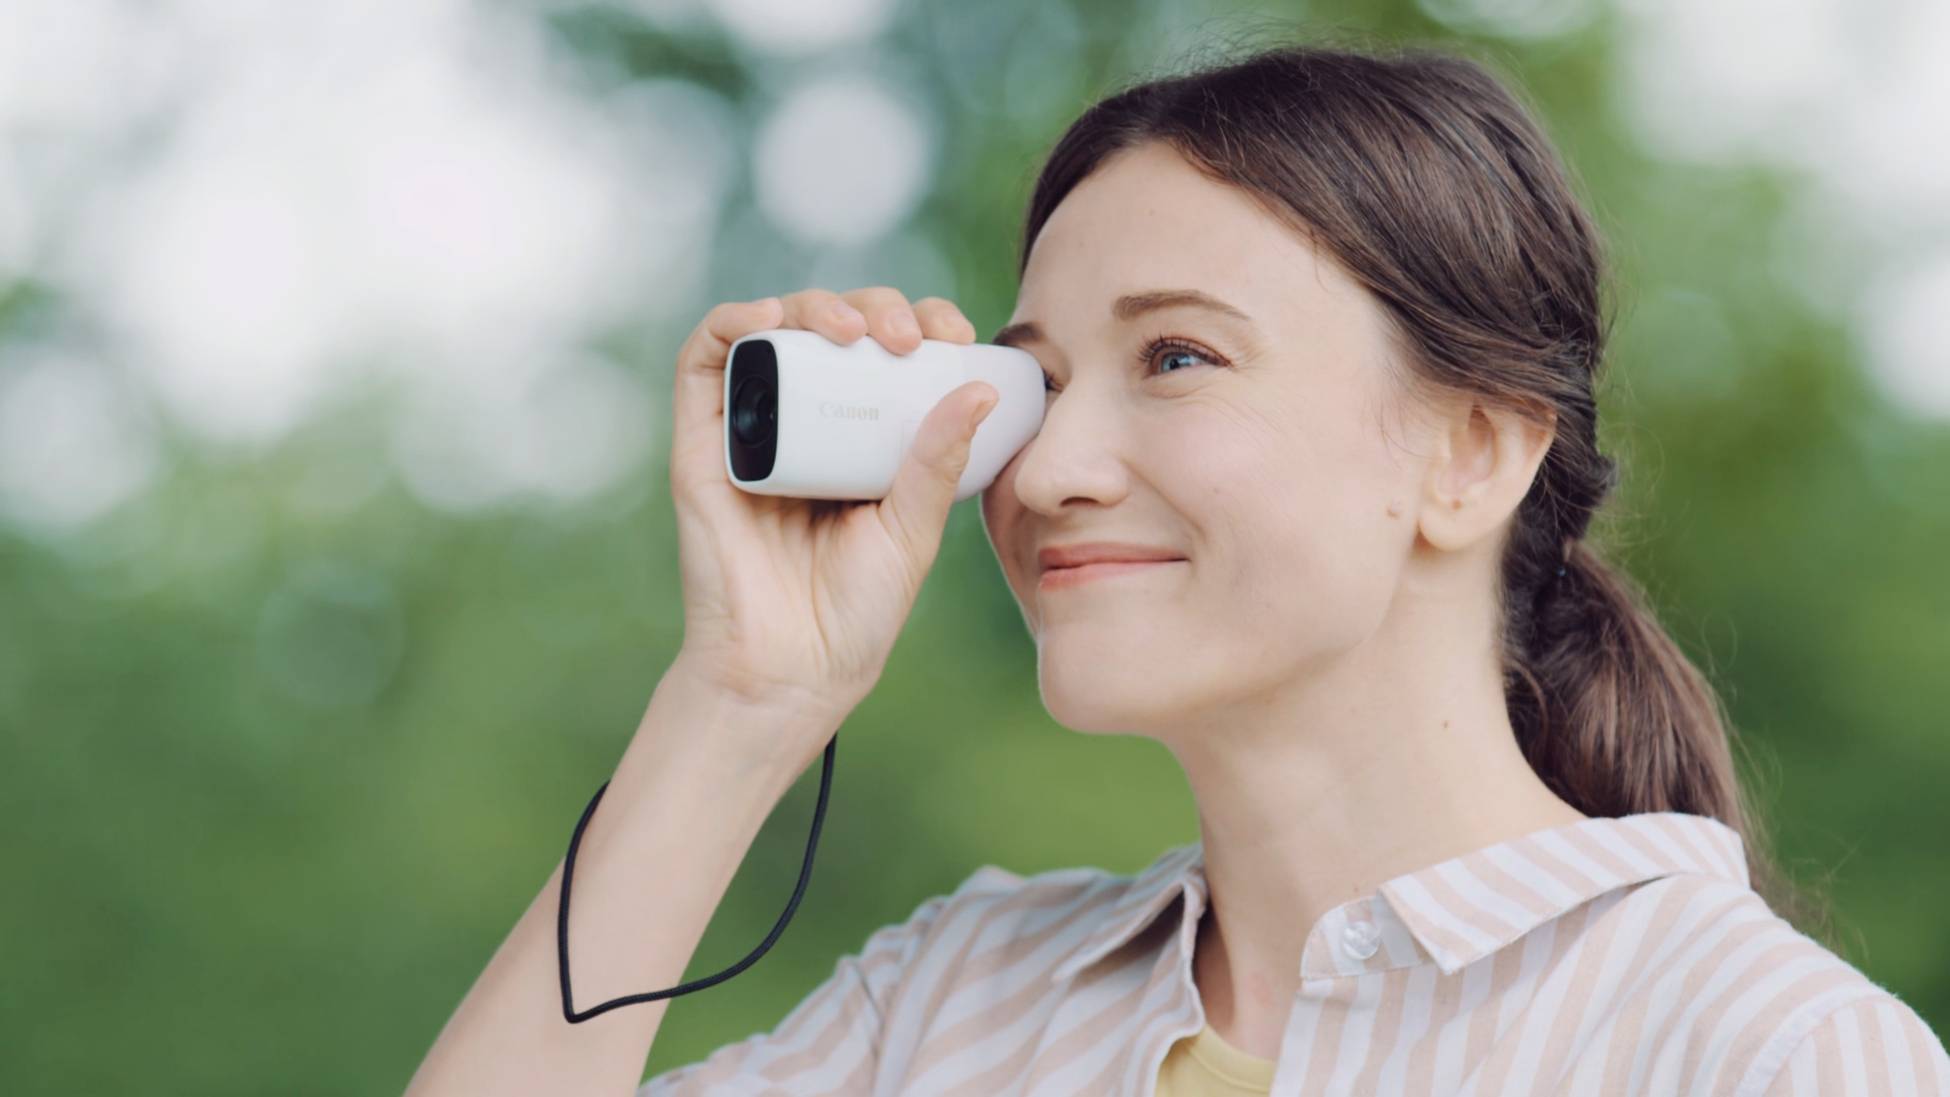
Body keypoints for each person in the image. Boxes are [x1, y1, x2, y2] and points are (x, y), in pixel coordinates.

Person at [404, 41, 1950, 1097]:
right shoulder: (954, 1002)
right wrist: (739, 702)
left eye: (1178, 356)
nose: (1054, 466)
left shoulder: (1758, 1052)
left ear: (1469, 452)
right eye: (1031, 382)